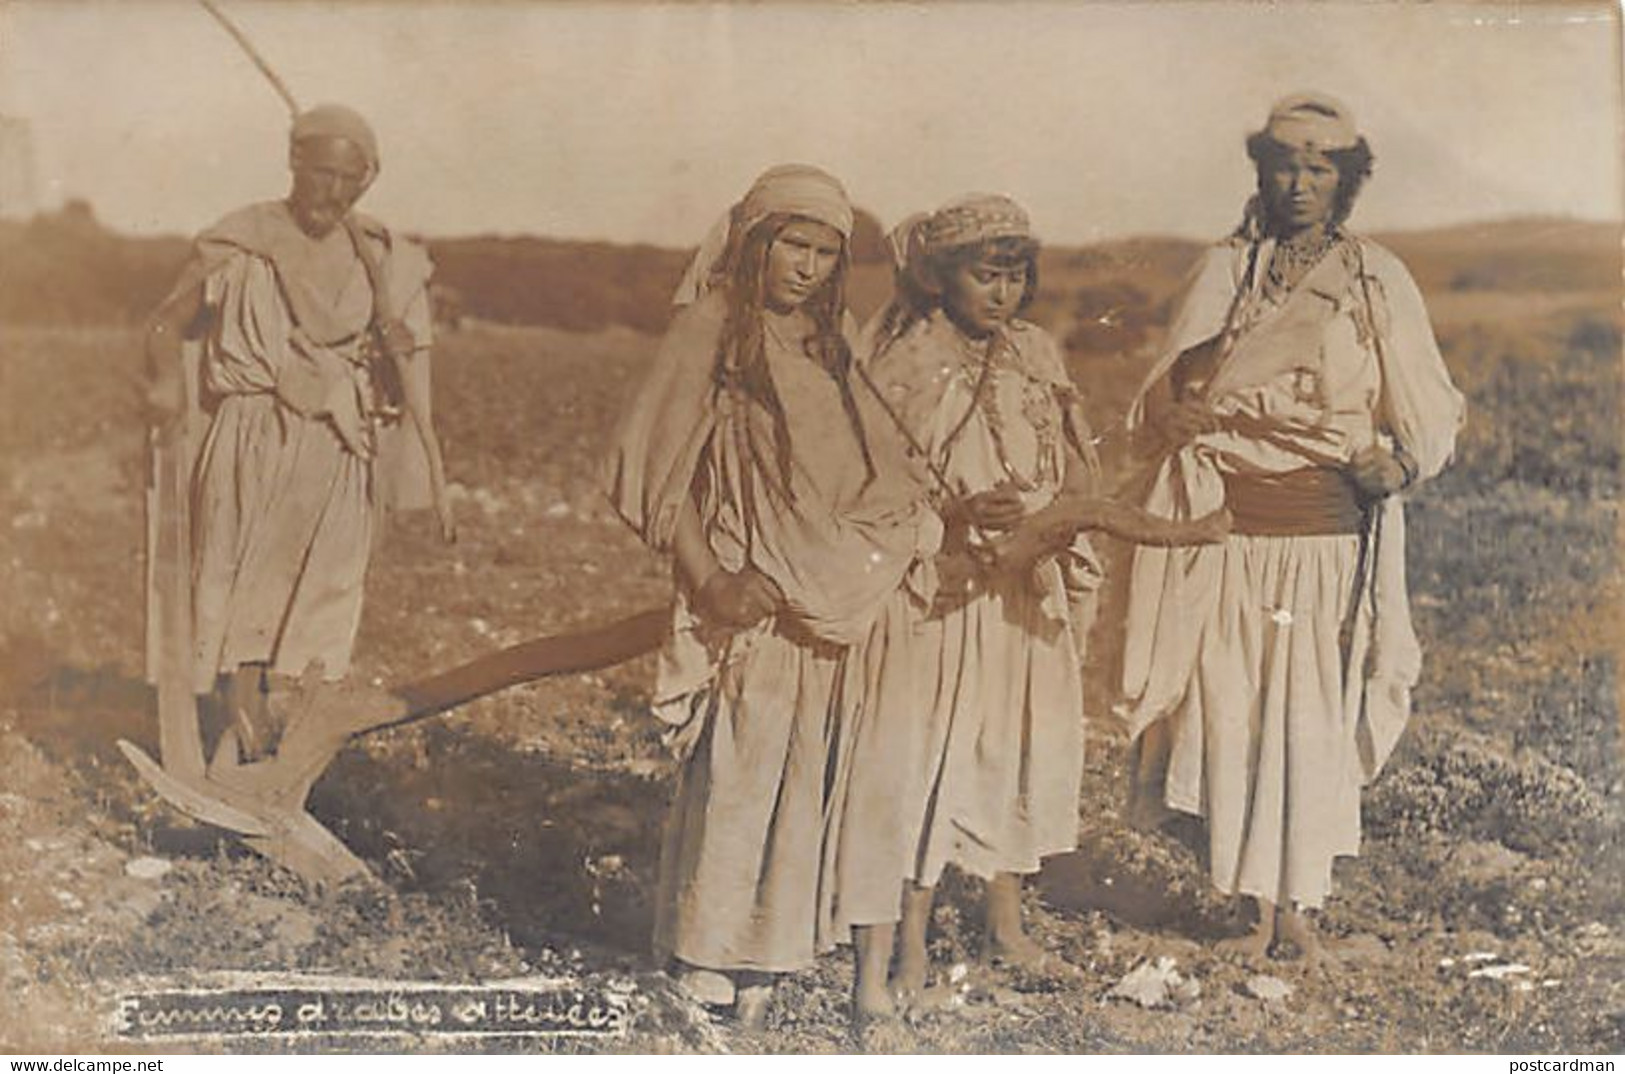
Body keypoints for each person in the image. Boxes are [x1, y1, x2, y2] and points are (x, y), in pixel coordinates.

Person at [1119, 93, 1465, 962]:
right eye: (1285, 163)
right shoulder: (1221, 271)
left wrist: (1402, 462)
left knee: (1308, 713)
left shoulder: (1373, 277)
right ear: (1260, 169)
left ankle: (1297, 910)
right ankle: (1241, 906)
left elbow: (1425, 407)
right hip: (1226, 532)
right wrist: (1178, 420)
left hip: (1323, 537)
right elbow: (1162, 397)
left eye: (1320, 167)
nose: (1300, 182)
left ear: (1346, 180)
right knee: (1226, 703)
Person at [603, 165, 941, 1027]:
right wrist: (712, 579)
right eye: (794, 244)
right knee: (745, 774)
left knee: (813, 779)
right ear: (754, 240)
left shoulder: (837, 341)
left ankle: (766, 968)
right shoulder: (712, 328)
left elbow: (874, 466)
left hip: (846, 600)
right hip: (761, 597)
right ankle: (704, 967)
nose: (808, 268)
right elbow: (653, 474)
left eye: (828, 253)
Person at [823, 194, 1106, 1021]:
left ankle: (1004, 918)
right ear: (940, 277)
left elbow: (1070, 454)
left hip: (1023, 584)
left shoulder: (1035, 352)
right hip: (945, 593)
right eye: (986, 276)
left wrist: (1055, 521)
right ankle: (907, 934)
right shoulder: (904, 360)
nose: (1003, 294)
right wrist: (951, 520)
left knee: (1013, 740)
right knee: (934, 751)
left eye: (1016, 276)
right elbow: (877, 481)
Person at [143, 103, 453, 765]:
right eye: (320, 174)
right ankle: (239, 745)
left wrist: (393, 352)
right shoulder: (242, 240)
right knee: (244, 596)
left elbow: (396, 390)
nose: (332, 193)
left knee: (315, 605)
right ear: (293, 163)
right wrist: (167, 383)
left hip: (337, 453)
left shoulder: (381, 259)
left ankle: (276, 754)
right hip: (252, 438)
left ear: (367, 181)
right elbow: (166, 322)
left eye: (349, 180)